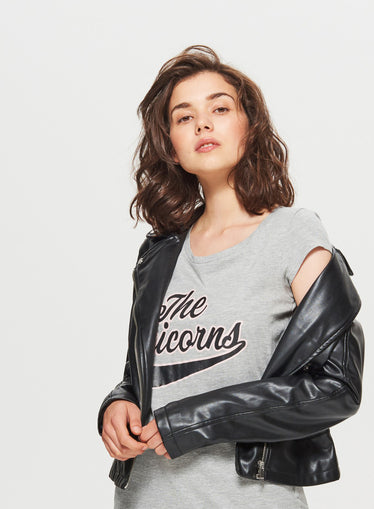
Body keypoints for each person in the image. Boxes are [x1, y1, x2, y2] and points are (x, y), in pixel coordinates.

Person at [97, 45, 364, 508]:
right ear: (172, 146)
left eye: (219, 109)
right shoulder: (160, 252)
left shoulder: (292, 234)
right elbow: (140, 376)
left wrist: (196, 421)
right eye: (184, 117)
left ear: (249, 126)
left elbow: (338, 385)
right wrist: (118, 403)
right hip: (144, 496)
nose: (202, 124)